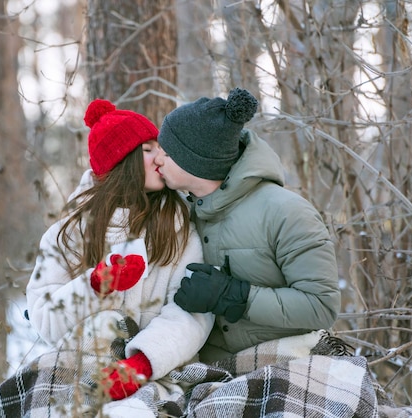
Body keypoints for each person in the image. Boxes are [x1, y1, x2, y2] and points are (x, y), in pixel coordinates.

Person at [23, 99, 213, 402]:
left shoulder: (180, 226)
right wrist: (95, 285)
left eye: (159, 149)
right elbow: (44, 319)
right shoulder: (68, 233)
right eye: (147, 150)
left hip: (159, 372)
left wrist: (141, 364)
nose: (160, 158)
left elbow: (192, 313)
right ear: (120, 163)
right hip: (82, 369)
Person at [154, 87, 341, 363]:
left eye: (168, 154)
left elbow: (321, 306)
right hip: (206, 369)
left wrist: (234, 296)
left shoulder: (286, 212)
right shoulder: (182, 213)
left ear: (197, 162)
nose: (158, 159)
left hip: (285, 363)